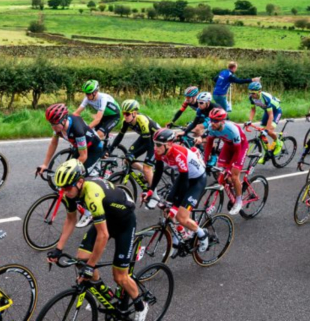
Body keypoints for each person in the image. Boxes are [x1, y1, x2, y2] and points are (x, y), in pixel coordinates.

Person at [47, 160, 148, 321]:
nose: (64, 192)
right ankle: (105, 294)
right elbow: (70, 220)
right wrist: (58, 249)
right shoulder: (70, 193)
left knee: (120, 276)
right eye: (61, 188)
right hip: (106, 218)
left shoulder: (91, 194)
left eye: (67, 188)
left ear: (80, 182)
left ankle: (140, 305)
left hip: (124, 223)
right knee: (81, 259)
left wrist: (91, 266)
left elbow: (103, 235)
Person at [147, 128, 209, 255]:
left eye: (158, 144)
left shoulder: (178, 154)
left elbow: (185, 184)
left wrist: (176, 206)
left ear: (169, 144)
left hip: (196, 180)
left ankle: (203, 235)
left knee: (181, 217)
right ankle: (175, 242)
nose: (155, 147)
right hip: (183, 177)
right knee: (166, 209)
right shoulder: (160, 150)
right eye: (154, 143)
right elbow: (158, 171)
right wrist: (150, 190)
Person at [108, 100, 160, 206]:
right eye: (123, 113)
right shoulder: (126, 121)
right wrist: (109, 150)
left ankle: (154, 195)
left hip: (156, 140)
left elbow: (147, 145)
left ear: (134, 113)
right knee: (128, 159)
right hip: (145, 137)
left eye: (127, 114)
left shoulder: (142, 120)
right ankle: (147, 175)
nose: (125, 116)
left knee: (147, 167)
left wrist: (133, 155)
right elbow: (119, 136)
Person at [199, 108, 248, 215]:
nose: (212, 123)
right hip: (227, 146)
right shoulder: (211, 128)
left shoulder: (232, 130)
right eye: (211, 120)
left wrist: (230, 168)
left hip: (240, 148)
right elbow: (209, 144)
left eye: (215, 121)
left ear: (222, 121)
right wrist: (204, 160)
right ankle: (232, 186)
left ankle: (239, 201)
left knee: (234, 175)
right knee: (219, 171)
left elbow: (237, 151)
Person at [246, 82, 283, 159]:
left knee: (268, 131)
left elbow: (271, 115)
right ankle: (267, 153)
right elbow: (253, 110)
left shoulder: (265, 98)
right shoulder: (251, 98)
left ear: (259, 91)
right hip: (267, 111)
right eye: (250, 93)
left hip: (276, 112)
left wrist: (267, 129)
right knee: (261, 133)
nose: (251, 95)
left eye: (253, 93)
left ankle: (278, 142)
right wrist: (250, 121)